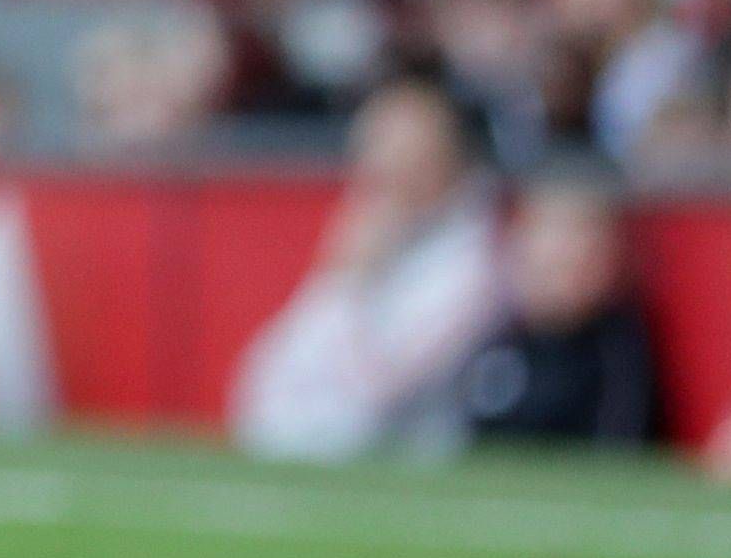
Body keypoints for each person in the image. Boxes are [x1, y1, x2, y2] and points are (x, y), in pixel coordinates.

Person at [228, 80, 506, 460]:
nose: (379, 171)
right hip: (298, 445)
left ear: (444, 161)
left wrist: (355, 278)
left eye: (401, 155)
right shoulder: (371, 235)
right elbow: (277, 364)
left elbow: (377, 392)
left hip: (404, 463)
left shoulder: (472, 266)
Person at [448, 169, 664, 449]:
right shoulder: (493, 330)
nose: (570, 250)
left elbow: (618, 447)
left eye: (584, 232)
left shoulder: (615, 350)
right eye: (554, 231)